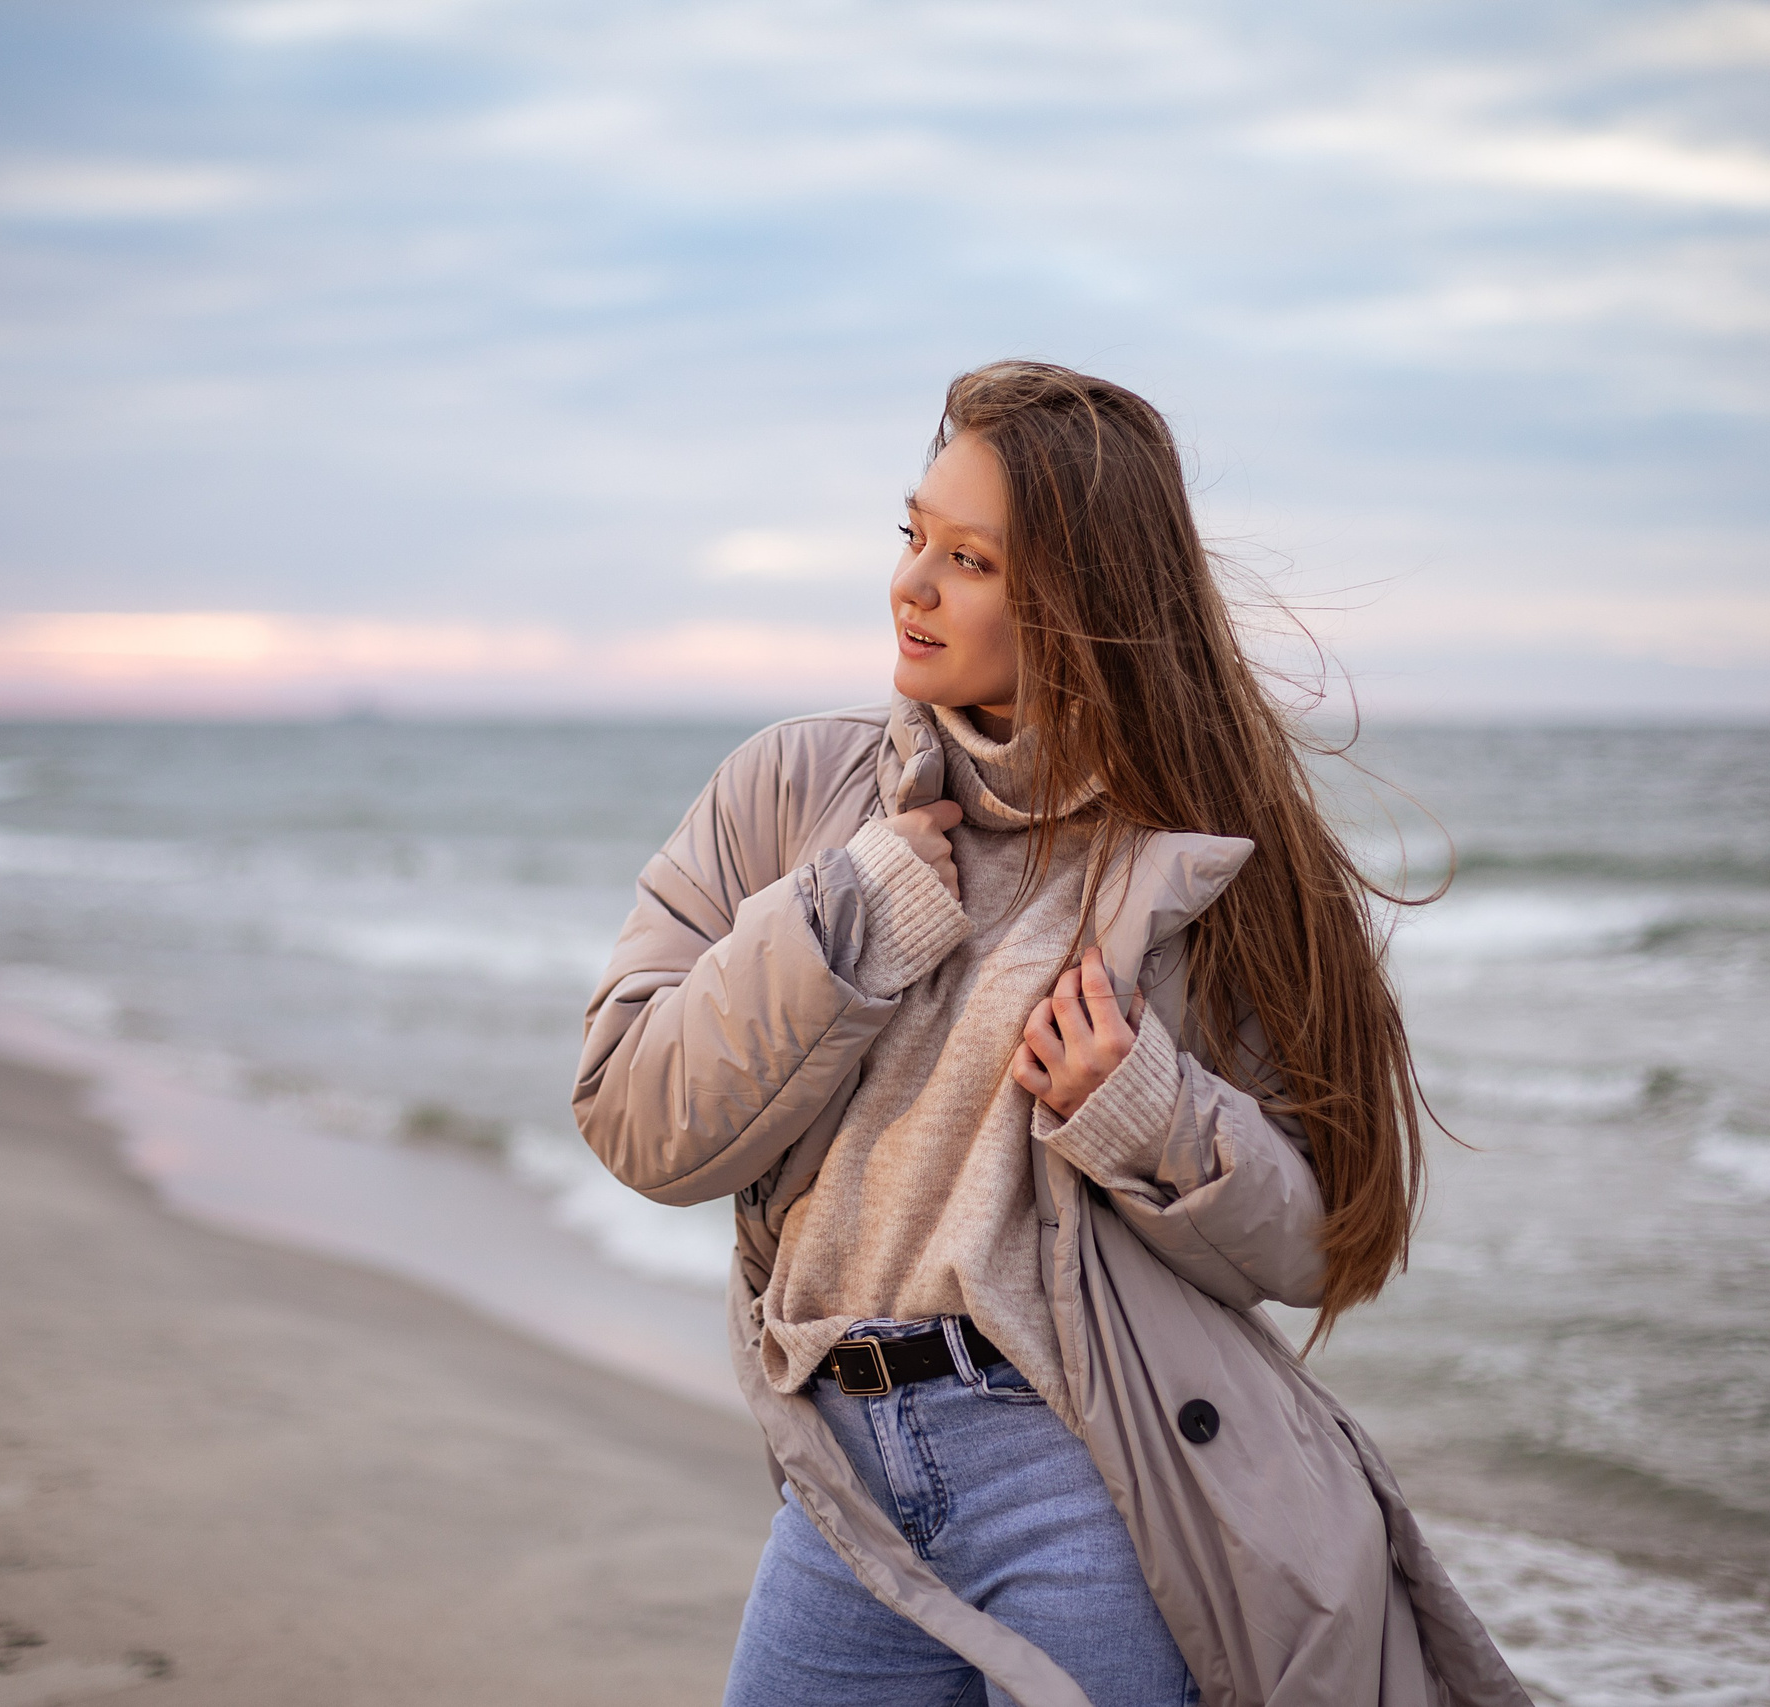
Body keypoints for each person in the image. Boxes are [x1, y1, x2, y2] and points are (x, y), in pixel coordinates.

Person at [574, 361, 1528, 1707]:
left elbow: (1322, 1241)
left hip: (1081, 1478)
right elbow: (635, 1115)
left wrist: (1147, 1110)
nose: (913, 584)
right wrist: (845, 918)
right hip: (843, 1479)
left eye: (969, 560)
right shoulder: (791, 795)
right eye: (913, 536)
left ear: (1080, 601)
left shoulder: (1206, 864)